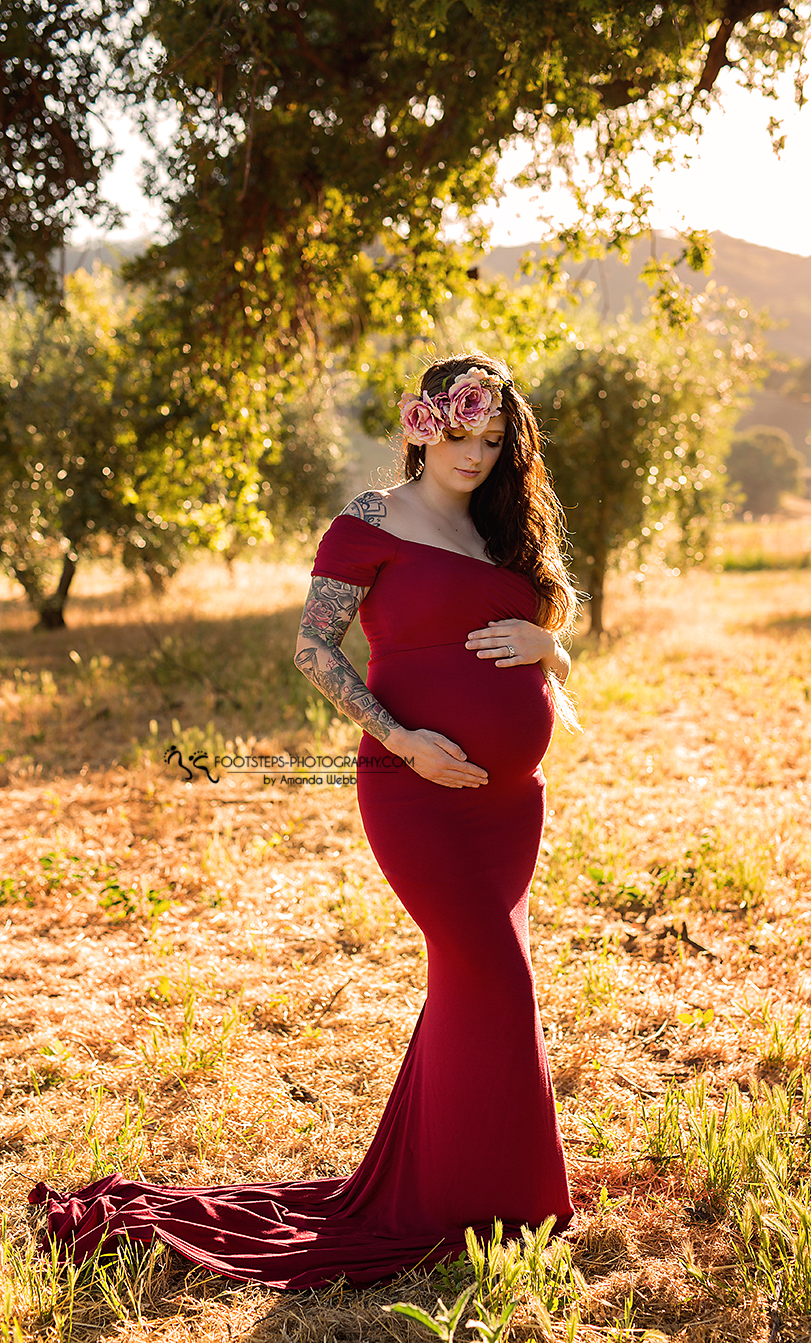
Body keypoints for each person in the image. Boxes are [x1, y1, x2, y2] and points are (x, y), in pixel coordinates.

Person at [28, 352, 582, 1292]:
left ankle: (473, 1187)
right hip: (414, 790)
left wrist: (550, 643)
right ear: (423, 424)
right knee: (494, 974)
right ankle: (485, 1203)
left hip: (507, 807)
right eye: (462, 434)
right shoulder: (369, 522)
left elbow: (547, 644)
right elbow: (312, 650)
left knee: (472, 984)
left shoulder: (505, 531)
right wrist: (406, 740)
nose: (477, 455)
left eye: (494, 441)